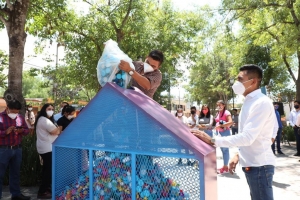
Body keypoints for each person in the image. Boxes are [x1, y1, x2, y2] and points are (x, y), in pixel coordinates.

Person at [191, 64, 278, 200]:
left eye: (240, 79)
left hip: (260, 166)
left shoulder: (261, 102)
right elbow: (253, 135)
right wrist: (239, 154)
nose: (237, 83)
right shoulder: (250, 102)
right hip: (252, 164)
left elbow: (250, 136)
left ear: (253, 81)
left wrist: (213, 140)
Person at [0, 100, 31, 200]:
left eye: (16, 112)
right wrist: (5, 132)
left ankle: (16, 195)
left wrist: (22, 131)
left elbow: (27, 130)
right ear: (7, 108)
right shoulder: (0, 117)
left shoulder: (20, 117)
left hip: (17, 149)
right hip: (3, 149)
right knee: (0, 174)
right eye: (13, 111)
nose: (15, 114)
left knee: (15, 173)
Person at [35, 103, 62, 199]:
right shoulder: (43, 120)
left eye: (52, 109)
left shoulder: (45, 119)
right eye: (49, 108)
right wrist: (60, 128)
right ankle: (42, 191)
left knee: (47, 169)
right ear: (44, 110)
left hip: (47, 147)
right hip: (47, 148)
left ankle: (46, 188)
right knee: (48, 170)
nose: (51, 110)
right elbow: (55, 131)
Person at [214, 100, 233, 174]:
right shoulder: (218, 112)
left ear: (224, 105)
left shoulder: (227, 112)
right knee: (222, 150)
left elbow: (230, 122)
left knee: (225, 150)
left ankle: (225, 167)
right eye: (218, 105)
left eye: (220, 105)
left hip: (225, 132)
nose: (219, 106)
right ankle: (225, 166)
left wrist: (221, 125)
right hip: (219, 133)